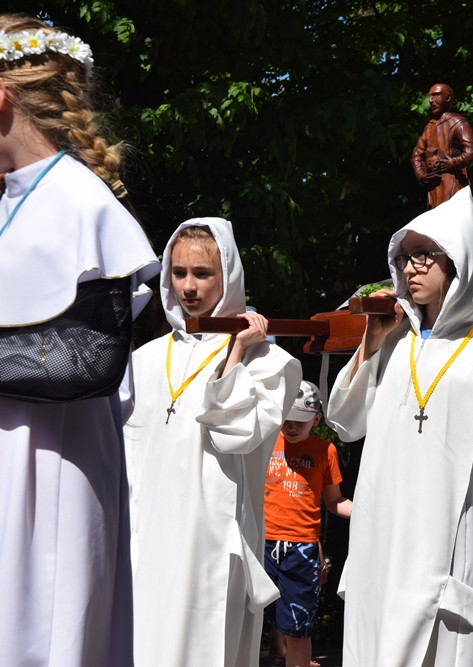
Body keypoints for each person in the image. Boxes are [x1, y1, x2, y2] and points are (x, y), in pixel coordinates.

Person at [326, 187, 473, 666]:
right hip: (384, 540)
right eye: (406, 257)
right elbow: (344, 423)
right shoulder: (391, 344)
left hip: (455, 541)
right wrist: (369, 344)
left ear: (460, 263)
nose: (411, 268)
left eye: (425, 256)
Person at [0, 15, 160, 666]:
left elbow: (86, 355)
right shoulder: (10, 200)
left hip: (48, 466)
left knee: (42, 629)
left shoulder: (77, 200)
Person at [124, 218, 302, 666]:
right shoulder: (142, 360)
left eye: (202, 274)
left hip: (211, 542)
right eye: (179, 273)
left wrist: (236, 351)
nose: (188, 286)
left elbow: (235, 435)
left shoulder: (268, 362)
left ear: (229, 277)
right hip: (145, 541)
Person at [263, 380, 352, 667]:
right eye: (286, 419)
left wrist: (372, 514)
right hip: (261, 543)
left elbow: (334, 501)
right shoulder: (264, 441)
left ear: (316, 419)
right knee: (250, 622)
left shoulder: (325, 450)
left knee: (298, 631)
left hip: (301, 552)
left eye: (299, 422)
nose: (290, 427)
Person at [411, 83, 473, 209]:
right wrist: (422, 174)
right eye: (430, 97)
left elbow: (471, 153)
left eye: (435, 95)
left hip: (456, 186)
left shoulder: (458, 122)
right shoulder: (428, 128)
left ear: (448, 98)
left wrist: (452, 163)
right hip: (434, 189)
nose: (430, 101)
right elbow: (416, 155)